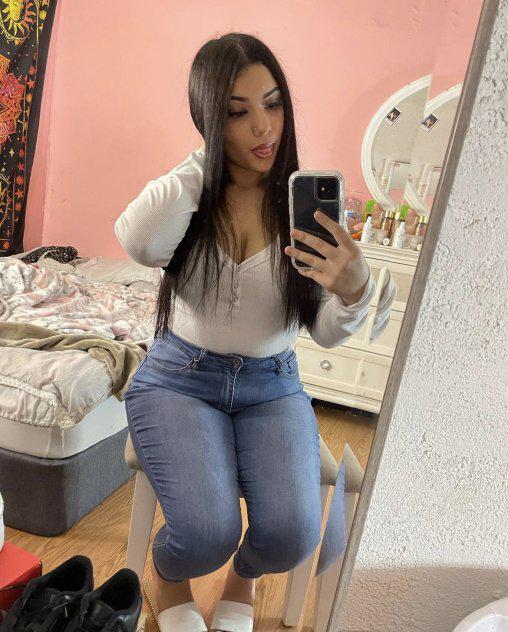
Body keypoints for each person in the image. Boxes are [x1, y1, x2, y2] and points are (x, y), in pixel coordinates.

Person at [115, 32, 396, 632]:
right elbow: (137, 240)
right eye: (236, 113)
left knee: (293, 532)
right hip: (180, 378)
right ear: (209, 122)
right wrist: (206, 161)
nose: (263, 128)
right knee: (205, 531)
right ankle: (168, 577)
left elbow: (325, 332)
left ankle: (241, 580)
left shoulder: (303, 208)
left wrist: (352, 291)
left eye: (272, 104)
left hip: (272, 385)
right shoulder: (190, 197)